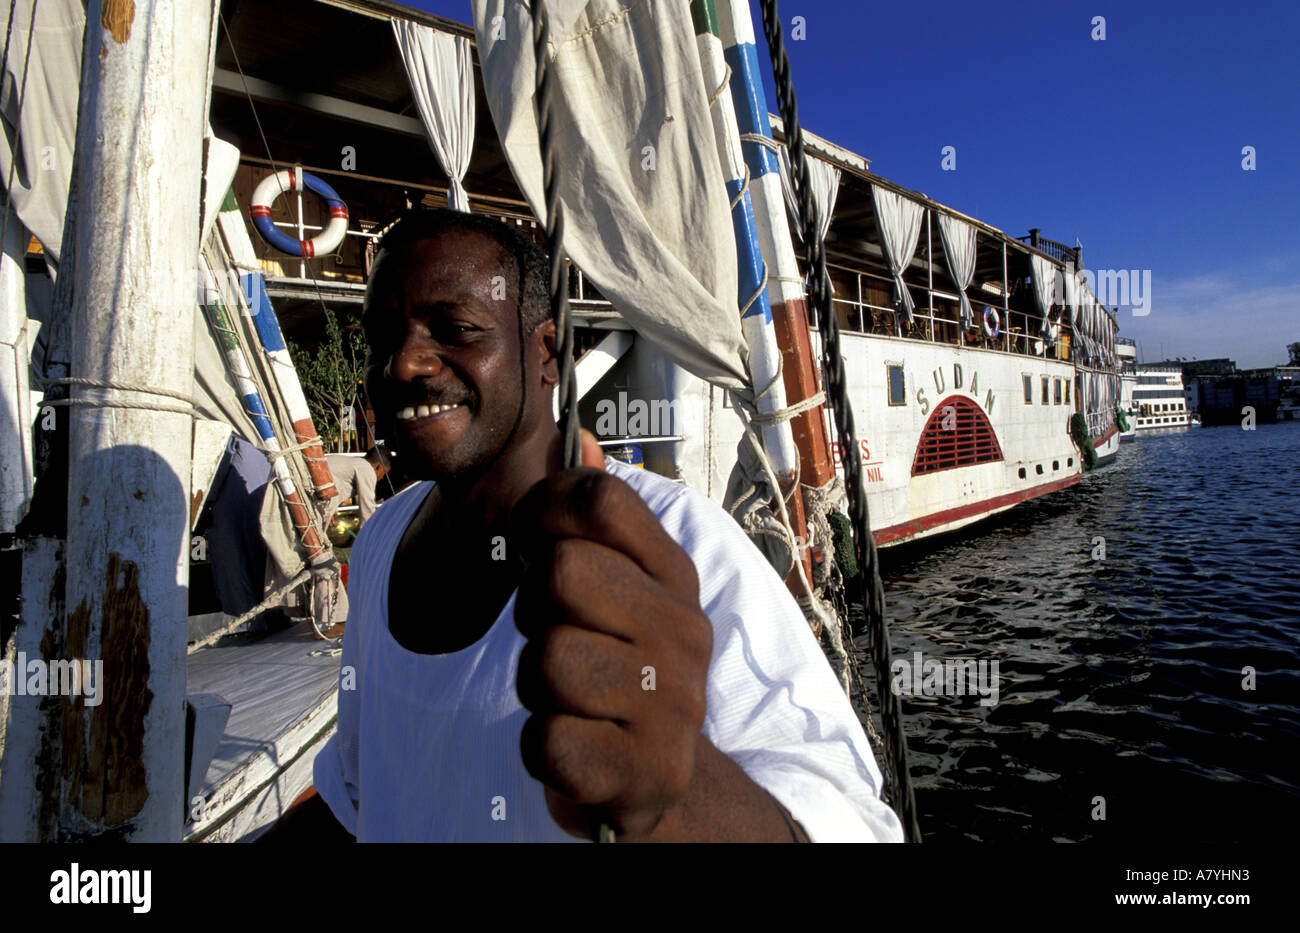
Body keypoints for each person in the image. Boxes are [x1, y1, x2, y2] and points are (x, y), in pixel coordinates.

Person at [272, 208, 903, 843]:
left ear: (547, 353)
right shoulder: (382, 538)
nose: (404, 364)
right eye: (383, 338)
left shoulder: (680, 541)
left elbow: (851, 821)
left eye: (456, 329)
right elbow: (360, 790)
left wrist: (673, 805)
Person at [324, 448, 388, 526]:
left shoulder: (354, 463)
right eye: (384, 474)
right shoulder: (367, 469)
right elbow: (367, 511)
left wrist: (329, 513)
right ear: (379, 467)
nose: (381, 478)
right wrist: (368, 535)